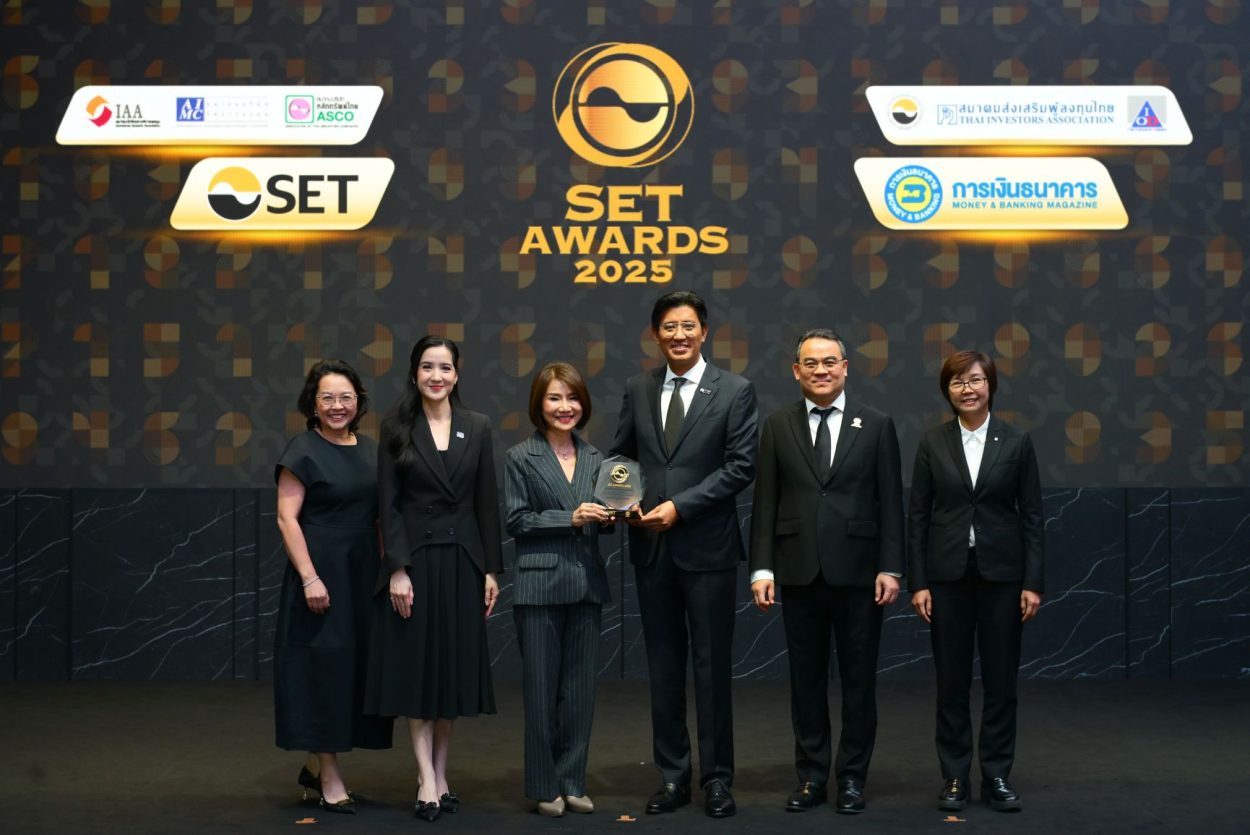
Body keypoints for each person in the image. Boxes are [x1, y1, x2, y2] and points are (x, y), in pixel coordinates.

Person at [611, 290, 758, 818]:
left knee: (711, 669)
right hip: (651, 548)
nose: (679, 335)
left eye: (688, 326)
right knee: (664, 667)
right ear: (656, 334)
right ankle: (673, 776)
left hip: (708, 549)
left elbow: (741, 467)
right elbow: (621, 455)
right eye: (669, 327)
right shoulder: (638, 387)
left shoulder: (735, 390)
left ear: (704, 332)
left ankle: (717, 778)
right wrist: (624, 500)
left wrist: (679, 506)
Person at [748, 329, 904, 815]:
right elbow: (765, 502)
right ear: (796, 371)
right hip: (798, 572)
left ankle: (852, 778)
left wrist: (891, 567)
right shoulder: (778, 425)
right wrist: (761, 568)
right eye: (811, 363)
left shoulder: (876, 424)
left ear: (845, 368)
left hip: (860, 574)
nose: (821, 370)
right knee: (806, 682)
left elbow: (890, 502)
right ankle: (812, 777)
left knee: (858, 683)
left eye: (830, 361)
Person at [365, 336, 503, 823]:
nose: (436, 376)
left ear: (457, 374)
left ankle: (441, 775)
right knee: (419, 675)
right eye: (427, 367)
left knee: (450, 676)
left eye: (445, 367)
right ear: (414, 372)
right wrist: (397, 568)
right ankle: (424, 777)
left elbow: (486, 503)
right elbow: (388, 505)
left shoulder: (477, 426)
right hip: (417, 565)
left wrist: (491, 570)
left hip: (463, 563)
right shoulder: (396, 427)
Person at [907, 350, 1044, 813]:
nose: (967, 389)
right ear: (947, 391)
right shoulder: (933, 443)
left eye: (976, 380)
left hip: (1003, 577)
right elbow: (918, 516)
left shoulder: (1017, 441)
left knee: (1001, 681)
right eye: (957, 382)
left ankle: (997, 774)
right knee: (951, 682)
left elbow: (1032, 517)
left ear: (991, 386)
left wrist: (1033, 582)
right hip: (947, 577)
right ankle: (954, 776)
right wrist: (918, 582)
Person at [273, 359, 393, 815]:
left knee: (352, 672)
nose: (337, 405)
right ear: (313, 403)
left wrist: (390, 572)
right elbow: (287, 519)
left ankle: (314, 765)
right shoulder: (302, 449)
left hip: (363, 574)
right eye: (327, 397)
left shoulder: (371, 450)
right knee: (322, 672)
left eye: (346, 397)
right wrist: (309, 577)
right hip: (320, 575)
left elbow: (380, 519)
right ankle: (329, 775)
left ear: (359, 401)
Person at [503, 362, 614, 818]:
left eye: (572, 398)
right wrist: (570, 517)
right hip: (539, 586)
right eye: (554, 398)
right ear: (539, 404)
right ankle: (544, 784)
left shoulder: (597, 458)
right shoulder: (520, 456)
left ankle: (572, 780)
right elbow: (516, 520)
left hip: (586, 584)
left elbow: (603, 519)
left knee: (580, 693)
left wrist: (617, 512)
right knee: (541, 693)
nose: (564, 407)